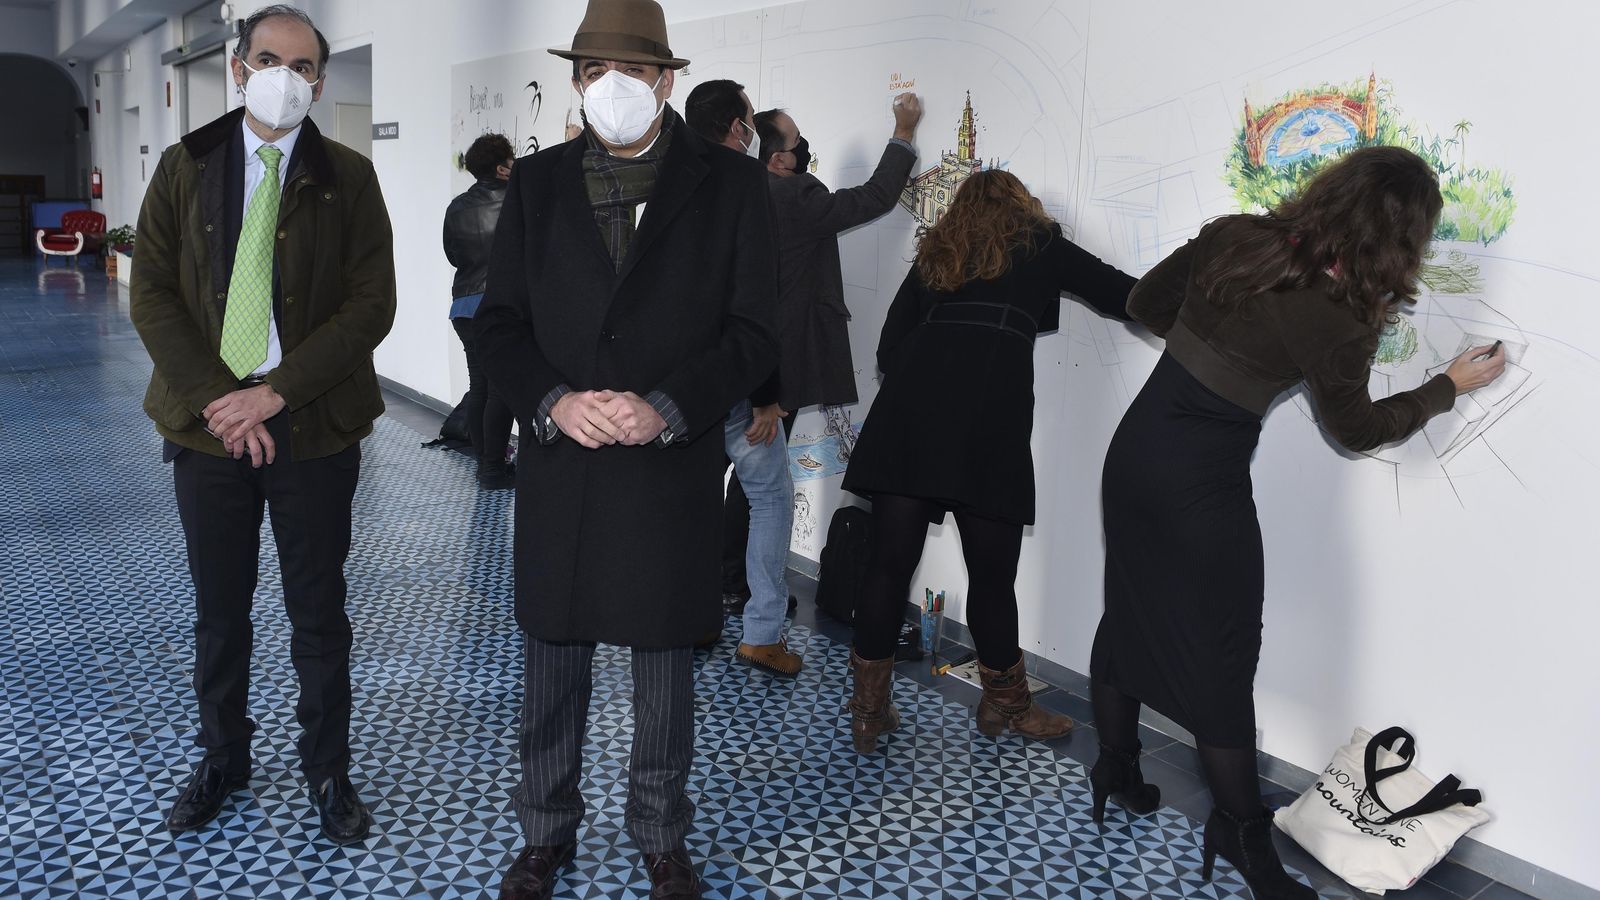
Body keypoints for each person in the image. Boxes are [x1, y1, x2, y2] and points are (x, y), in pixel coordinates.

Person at [1088, 146, 1505, 900]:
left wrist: (1213, 343)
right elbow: (1354, 430)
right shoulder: (1345, 316)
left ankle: (1115, 765)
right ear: (1399, 238)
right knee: (1220, 655)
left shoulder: (1234, 236)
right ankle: (1242, 833)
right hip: (1199, 485)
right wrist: (1446, 385)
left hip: (1135, 457)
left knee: (1130, 607)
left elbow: (1146, 303)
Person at [474, 1, 777, 897]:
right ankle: (545, 833)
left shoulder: (730, 187)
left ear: (667, 80)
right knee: (553, 662)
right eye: (593, 72)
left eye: (633, 73)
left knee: (663, 672)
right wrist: (554, 401)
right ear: (575, 81)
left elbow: (754, 332)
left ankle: (659, 834)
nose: (613, 90)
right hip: (566, 464)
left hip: (665, 466)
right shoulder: (536, 184)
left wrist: (669, 408)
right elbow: (497, 329)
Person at [127, 4, 395, 845]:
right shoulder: (185, 165)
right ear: (238, 67)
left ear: (320, 79)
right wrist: (220, 399)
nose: (287, 76)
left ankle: (328, 770)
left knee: (318, 611)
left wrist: (273, 392)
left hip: (311, 426)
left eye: (305, 65)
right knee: (220, 609)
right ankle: (222, 758)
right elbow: (154, 296)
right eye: (270, 59)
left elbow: (369, 307)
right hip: (208, 430)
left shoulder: (348, 176)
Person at [841, 169, 1137, 753]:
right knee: (994, 581)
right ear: (1021, 205)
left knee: (886, 569)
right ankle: (1006, 706)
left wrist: (927, 387)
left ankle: (869, 712)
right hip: (988, 430)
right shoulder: (1038, 244)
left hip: (909, 424)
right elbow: (1125, 295)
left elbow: (888, 347)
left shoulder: (938, 253)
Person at [712, 96, 924, 620]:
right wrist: (902, 132)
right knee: (759, 488)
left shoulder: (726, 194)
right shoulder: (792, 196)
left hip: (721, 362)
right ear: (779, 158)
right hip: (770, 369)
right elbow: (873, 197)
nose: (804, 152)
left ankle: (707, 581)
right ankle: (738, 588)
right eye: (797, 143)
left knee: (715, 477)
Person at [683, 78, 799, 674]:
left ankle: (693, 621)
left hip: (677, 389)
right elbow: (757, 299)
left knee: (691, 503)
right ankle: (761, 633)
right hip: (734, 381)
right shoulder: (748, 185)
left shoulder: (664, 176)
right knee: (771, 497)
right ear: (737, 129)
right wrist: (767, 395)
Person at [444, 132, 517, 489]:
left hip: (464, 306)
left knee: (479, 386)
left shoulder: (456, 206)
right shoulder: (518, 200)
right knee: (501, 389)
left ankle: (485, 464)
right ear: (503, 167)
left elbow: (453, 255)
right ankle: (492, 469)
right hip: (502, 306)